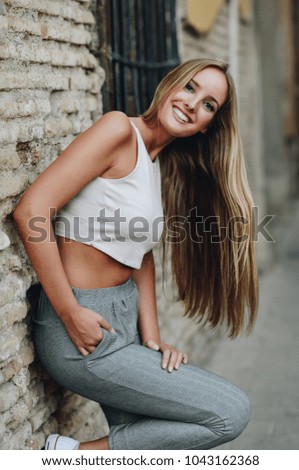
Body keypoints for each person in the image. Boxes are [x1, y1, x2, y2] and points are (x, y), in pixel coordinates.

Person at [14, 58, 258, 450]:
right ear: (170, 85)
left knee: (147, 445)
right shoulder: (118, 130)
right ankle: (70, 456)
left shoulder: (155, 161)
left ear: (207, 125)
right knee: (229, 413)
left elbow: (140, 254)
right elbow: (32, 210)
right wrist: (70, 312)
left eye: (209, 104)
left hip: (122, 321)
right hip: (81, 327)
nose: (194, 104)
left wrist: (153, 339)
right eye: (190, 87)